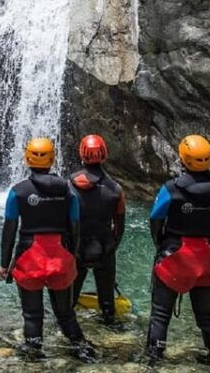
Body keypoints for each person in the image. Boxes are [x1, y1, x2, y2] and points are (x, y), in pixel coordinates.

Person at [0, 138, 95, 361]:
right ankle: (84, 353)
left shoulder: (17, 192)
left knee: (32, 315)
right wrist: (73, 257)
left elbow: (9, 231)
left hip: (29, 256)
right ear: (53, 158)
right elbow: (75, 226)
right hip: (61, 255)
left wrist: (4, 264)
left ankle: (34, 357)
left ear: (26, 158)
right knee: (65, 314)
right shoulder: (68, 190)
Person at [146, 135, 210, 369]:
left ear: (182, 158)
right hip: (204, 256)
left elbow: (155, 218)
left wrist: (161, 243)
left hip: (175, 254)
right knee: (206, 316)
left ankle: (154, 359)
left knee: (161, 314)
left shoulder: (171, 188)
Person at [68, 134, 126, 327]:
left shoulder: (68, 185)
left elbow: (65, 221)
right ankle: (112, 333)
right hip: (104, 248)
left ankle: (66, 333)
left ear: (82, 155)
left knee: (69, 301)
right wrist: (111, 248)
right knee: (107, 302)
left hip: (77, 249)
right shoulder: (116, 189)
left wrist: (69, 248)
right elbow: (119, 226)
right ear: (105, 155)